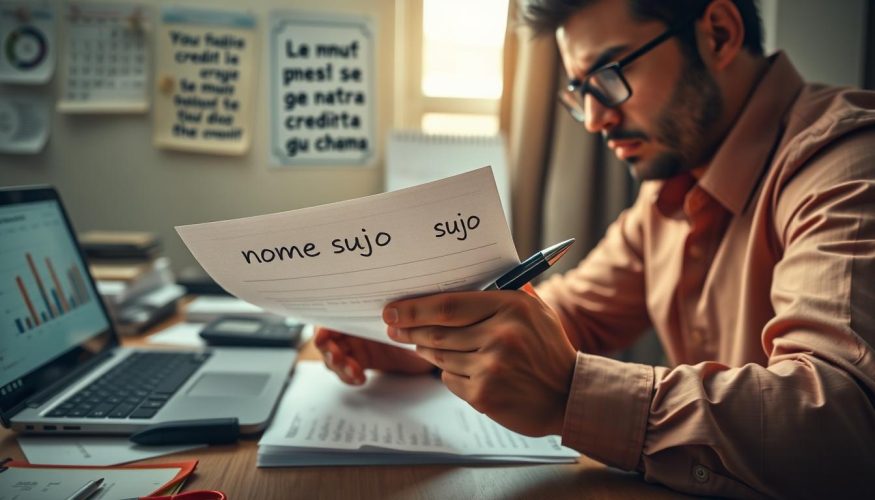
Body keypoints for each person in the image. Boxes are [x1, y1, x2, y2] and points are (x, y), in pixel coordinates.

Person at [316, 0, 875, 496]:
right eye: (579, 92)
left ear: (720, 34)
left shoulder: (847, 164)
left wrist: (570, 394)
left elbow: (840, 422)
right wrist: (422, 340)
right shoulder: (670, 190)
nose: (595, 119)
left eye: (608, 75)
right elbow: (573, 311)